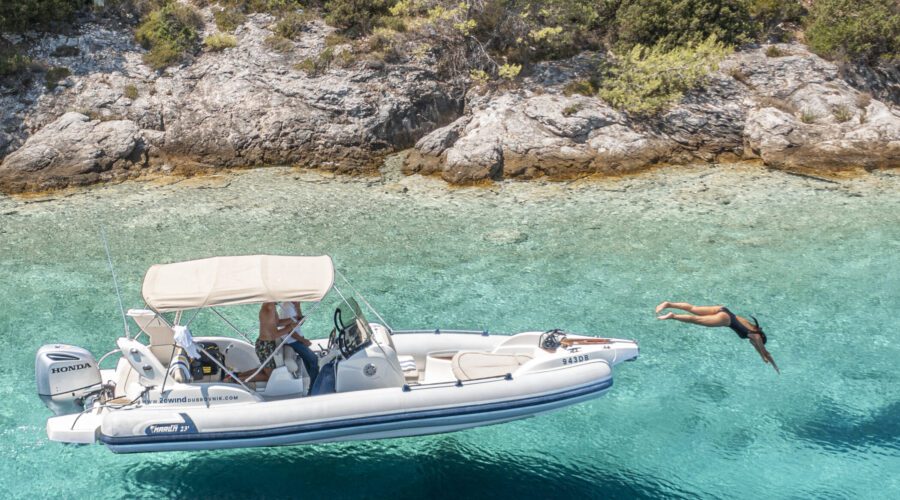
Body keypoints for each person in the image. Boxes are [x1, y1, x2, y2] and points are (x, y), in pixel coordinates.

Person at [655, 301, 780, 374]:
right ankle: (673, 316)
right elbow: (765, 353)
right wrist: (774, 366)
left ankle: (668, 304)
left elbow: (759, 350)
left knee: (694, 308)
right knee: (697, 320)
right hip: (725, 319)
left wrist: (761, 355)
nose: (754, 344)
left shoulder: (753, 328)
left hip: (724, 310)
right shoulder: (756, 337)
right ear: (761, 338)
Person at [227, 302, 294, 383]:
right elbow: (273, 335)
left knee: (264, 370)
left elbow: (276, 323)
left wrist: (292, 320)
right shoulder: (270, 307)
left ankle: (235, 376)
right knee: (269, 376)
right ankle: (233, 381)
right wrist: (291, 327)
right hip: (266, 346)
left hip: (266, 344)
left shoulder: (270, 305)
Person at [278, 301, 320, 389]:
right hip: (292, 340)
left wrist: (298, 307)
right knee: (314, 359)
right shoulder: (287, 308)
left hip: (296, 338)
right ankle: (314, 387)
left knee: (308, 360)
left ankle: (313, 384)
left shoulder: (294, 304)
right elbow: (289, 330)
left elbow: (299, 321)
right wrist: (303, 340)